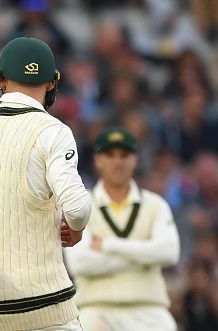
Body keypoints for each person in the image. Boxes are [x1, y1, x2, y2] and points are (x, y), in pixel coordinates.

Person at [0, 37, 92, 331]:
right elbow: (77, 207)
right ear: (51, 83)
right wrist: (76, 228)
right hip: (42, 304)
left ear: (2, 80)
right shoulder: (53, 132)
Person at [65, 127, 180, 331]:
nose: (117, 162)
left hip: (149, 308)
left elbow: (169, 253)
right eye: (110, 155)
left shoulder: (155, 205)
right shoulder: (82, 206)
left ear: (135, 159)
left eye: (124, 155)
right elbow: (79, 263)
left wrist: (108, 245)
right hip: (95, 307)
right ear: (98, 160)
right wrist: (145, 254)